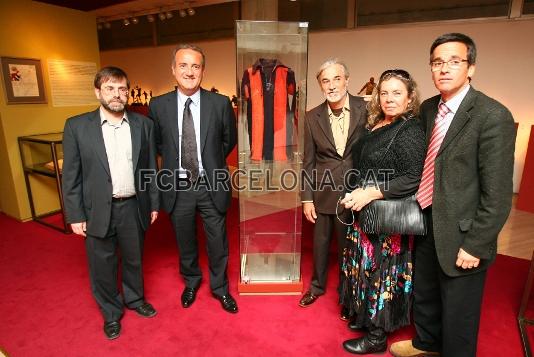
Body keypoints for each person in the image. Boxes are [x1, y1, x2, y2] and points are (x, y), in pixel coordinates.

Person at [390, 33, 516, 357]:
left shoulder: (492, 116)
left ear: (471, 67)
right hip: (428, 219)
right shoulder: (431, 108)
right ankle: (426, 344)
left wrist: (476, 243)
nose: (444, 68)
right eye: (437, 62)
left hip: (464, 231)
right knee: (426, 292)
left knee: (459, 312)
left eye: (454, 61)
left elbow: (498, 194)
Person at [62, 66, 159, 340]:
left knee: (134, 259)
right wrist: (75, 215)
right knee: (102, 265)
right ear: (97, 92)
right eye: (110, 88)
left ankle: (135, 299)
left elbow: (150, 168)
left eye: (122, 89)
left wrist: (153, 203)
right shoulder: (76, 127)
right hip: (96, 210)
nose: (117, 95)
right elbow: (71, 176)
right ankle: (111, 313)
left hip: (133, 206)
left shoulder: (144, 125)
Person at [340, 69, 426, 354]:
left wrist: (370, 192)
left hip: (387, 216)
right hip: (364, 209)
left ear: (410, 97)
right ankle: (365, 318)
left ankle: (377, 337)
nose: (389, 99)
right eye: (385, 92)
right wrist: (355, 192)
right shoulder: (376, 123)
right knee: (365, 267)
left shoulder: (410, 129)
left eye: (397, 93)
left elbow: (412, 177)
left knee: (381, 271)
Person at [148, 44, 238, 313]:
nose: (190, 71)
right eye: (184, 66)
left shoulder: (220, 103)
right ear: (173, 70)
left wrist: (209, 162)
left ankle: (220, 288)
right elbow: (159, 145)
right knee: (185, 239)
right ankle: (191, 282)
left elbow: (228, 140)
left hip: (211, 184)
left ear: (203, 70)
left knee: (217, 240)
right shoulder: (158, 105)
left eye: (195, 66)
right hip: (178, 185)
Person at [300, 59, 367, 318]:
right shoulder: (310, 117)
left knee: (350, 246)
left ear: (347, 80)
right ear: (320, 85)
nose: (331, 85)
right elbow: (308, 161)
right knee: (321, 244)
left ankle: (348, 292)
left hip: (356, 192)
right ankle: (316, 287)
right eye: (325, 81)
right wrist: (307, 198)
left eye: (336, 78)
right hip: (323, 191)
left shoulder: (366, 108)